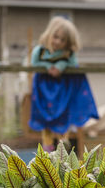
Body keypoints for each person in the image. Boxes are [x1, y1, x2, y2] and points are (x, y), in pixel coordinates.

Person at [29, 16, 99, 152]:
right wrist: (47, 67)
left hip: (62, 94)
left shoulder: (68, 53)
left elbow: (73, 64)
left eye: (63, 40)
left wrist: (61, 65)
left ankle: (63, 151)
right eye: (56, 37)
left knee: (63, 119)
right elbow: (34, 63)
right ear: (49, 34)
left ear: (68, 43)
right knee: (46, 121)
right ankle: (47, 153)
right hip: (44, 91)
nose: (58, 42)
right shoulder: (40, 50)